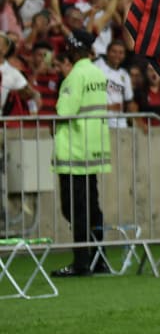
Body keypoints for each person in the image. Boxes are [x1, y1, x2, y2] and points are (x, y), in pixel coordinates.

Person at [51, 29, 111, 277]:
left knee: (74, 210)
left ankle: (82, 263)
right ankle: (99, 260)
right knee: (92, 208)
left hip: (75, 152)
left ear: (74, 49)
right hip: (94, 150)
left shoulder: (76, 75)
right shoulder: (98, 73)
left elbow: (64, 111)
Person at [94, 39, 134, 127]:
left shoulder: (124, 74)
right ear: (107, 52)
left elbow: (129, 100)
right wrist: (107, 107)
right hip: (100, 121)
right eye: (114, 51)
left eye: (121, 52)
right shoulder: (97, 66)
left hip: (120, 122)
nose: (117, 55)